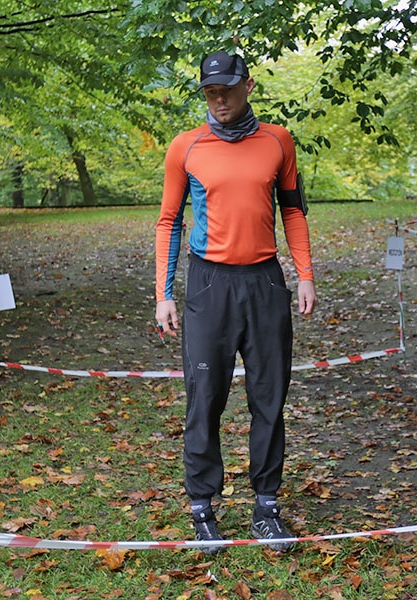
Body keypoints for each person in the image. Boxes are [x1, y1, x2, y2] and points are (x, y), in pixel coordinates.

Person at [154, 50, 317, 553]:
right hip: (208, 284)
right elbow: (169, 221)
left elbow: (292, 210)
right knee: (205, 399)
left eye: (227, 88)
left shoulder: (278, 140)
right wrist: (163, 293)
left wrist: (304, 273)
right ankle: (203, 508)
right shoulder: (186, 146)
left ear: (248, 85)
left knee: (269, 398)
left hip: (265, 283)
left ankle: (266, 507)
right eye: (209, 91)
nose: (218, 99)